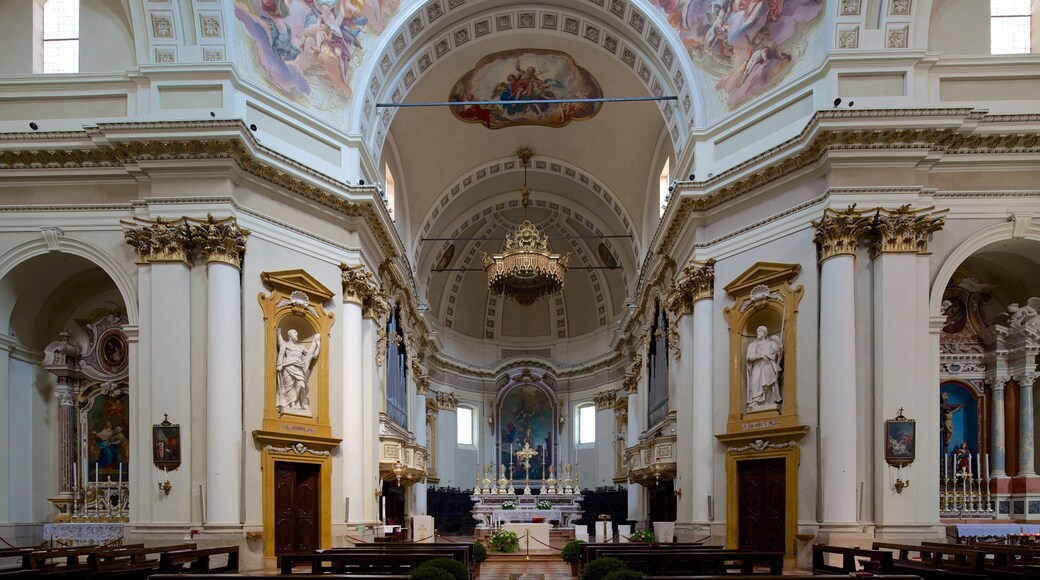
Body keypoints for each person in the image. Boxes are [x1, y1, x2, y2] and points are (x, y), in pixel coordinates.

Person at [276, 328, 321, 414]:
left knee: (301, 384)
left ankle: (300, 402)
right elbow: (281, 355)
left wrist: (317, 344)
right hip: (287, 367)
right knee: (289, 387)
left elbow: (313, 355)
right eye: (295, 333)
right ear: (290, 335)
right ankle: (291, 404)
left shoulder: (301, 347)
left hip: (299, 368)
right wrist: (279, 365)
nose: (297, 335)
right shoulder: (285, 345)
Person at [745, 325, 782, 410]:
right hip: (757, 366)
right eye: (757, 331)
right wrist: (760, 356)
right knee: (756, 382)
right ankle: (756, 401)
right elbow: (750, 357)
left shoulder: (771, 343)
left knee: (769, 383)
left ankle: (769, 401)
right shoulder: (753, 345)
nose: (758, 333)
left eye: (760, 331)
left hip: (768, 365)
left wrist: (779, 349)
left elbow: (778, 353)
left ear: (765, 333)